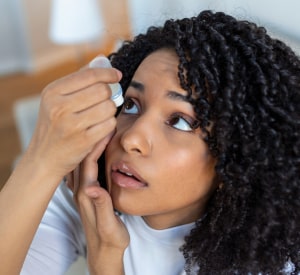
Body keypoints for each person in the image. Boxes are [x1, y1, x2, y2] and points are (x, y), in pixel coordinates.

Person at [0, 10, 299, 275]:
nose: (131, 139)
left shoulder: (258, 261)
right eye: (131, 104)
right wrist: (41, 161)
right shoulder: (86, 189)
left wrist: (105, 261)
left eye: (180, 121)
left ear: (235, 160)